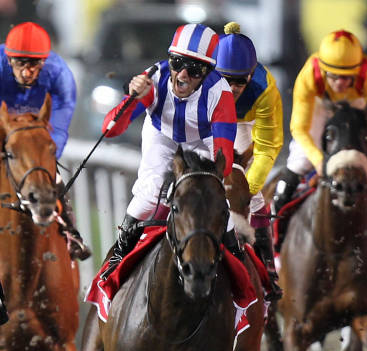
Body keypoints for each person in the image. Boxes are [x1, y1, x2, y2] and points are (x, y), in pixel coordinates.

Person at [100, 23, 239, 280]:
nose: (183, 74)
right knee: (150, 193)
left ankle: (237, 263)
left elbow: (224, 159)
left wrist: (206, 179)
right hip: (161, 133)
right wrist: (132, 99)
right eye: (177, 62)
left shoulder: (220, 94)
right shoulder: (153, 78)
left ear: (208, 72)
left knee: (215, 197)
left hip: (201, 140)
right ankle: (117, 257)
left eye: (194, 69)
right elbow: (109, 130)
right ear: (169, 59)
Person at [272, 29, 367, 255]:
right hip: (319, 106)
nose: (341, 82)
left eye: (347, 77)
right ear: (323, 69)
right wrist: (319, 161)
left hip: (354, 109)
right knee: (297, 164)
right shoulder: (309, 75)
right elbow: (299, 129)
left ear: (357, 71)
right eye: (334, 76)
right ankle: (275, 232)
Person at [0, 21, 91, 260]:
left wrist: (43, 157)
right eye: (20, 63)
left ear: (45, 61)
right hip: (4, 124)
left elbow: (58, 129)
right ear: (8, 59)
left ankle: (71, 233)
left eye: (34, 64)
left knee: (50, 176)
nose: (27, 72)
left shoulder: (60, 75)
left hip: (37, 129)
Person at [215, 22, 284, 300]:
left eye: (240, 82)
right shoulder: (202, 79)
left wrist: (247, 189)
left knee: (253, 200)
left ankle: (268, 268)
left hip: (246, 125)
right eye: (226, 80)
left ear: (251, 75)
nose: (233, 88)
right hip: (210, 120)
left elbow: (268, 148)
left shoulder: (265, 90)